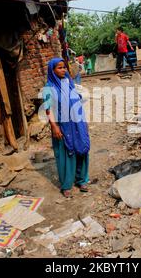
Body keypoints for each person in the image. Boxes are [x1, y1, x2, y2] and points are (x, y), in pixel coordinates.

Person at [43, 58, 90, 198]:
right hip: (63, 126)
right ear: (52, 70)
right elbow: (48, 108)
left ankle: (82, 180)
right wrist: (54, 126)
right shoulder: (49, 87)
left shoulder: (69, 82)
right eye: (59, 68)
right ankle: (67, 185)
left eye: (64, 67)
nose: (63, 70)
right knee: (65, 154)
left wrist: (84, 122)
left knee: (82, 150)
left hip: (78, 123)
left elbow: (77, 102)